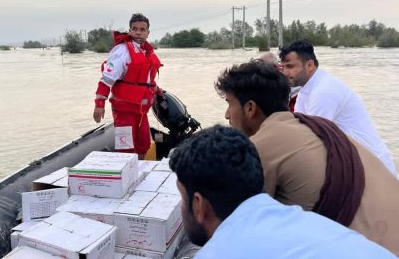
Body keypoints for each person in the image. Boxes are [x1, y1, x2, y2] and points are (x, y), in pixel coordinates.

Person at [215, 61, 399, 255]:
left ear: (250, 108)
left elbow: (238, 223)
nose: (227, 115)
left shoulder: (261, 146)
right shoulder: (318, 127)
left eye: (229, 103)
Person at [169, 125, 397, 259]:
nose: (182, 207)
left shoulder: (219, 253)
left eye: (182, 197)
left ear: (198, 204)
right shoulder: (311, 223)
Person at [279, 40, 397, 176]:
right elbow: (298, 130)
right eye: (283, 67)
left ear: (310, 65)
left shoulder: (324, 91)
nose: (286, 73)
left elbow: (310, 140)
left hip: (375, 168)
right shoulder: (306, 89)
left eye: (290, 66)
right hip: (356, 163)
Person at [93, 13, 163, 160]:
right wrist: (99, 104)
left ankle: (139, 170)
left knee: (144, 144)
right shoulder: (122, 51)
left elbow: (147, 80)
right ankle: (126, 177)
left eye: (142, 29)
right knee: (125, 148)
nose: (138, 32)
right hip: (124, 109)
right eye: (135, 28)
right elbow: (106, 80)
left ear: (148, 32)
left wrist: (158, 91)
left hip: (142, 110)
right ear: (130, 30)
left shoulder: (147, 51)